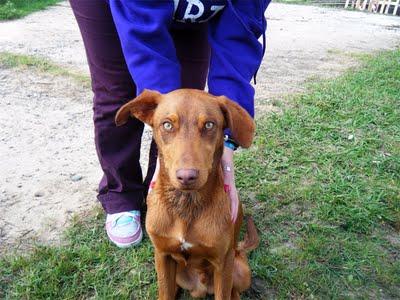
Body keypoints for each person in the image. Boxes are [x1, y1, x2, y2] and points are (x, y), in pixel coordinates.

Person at [70, 0, 270, 248]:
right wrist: (165, 116)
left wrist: (227, 149)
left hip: (196, 8)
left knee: (188, 102)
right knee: (118, 92)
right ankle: (121, 194)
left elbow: (239, 37)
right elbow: (144, 35)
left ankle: (166, 190)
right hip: (123, 5)